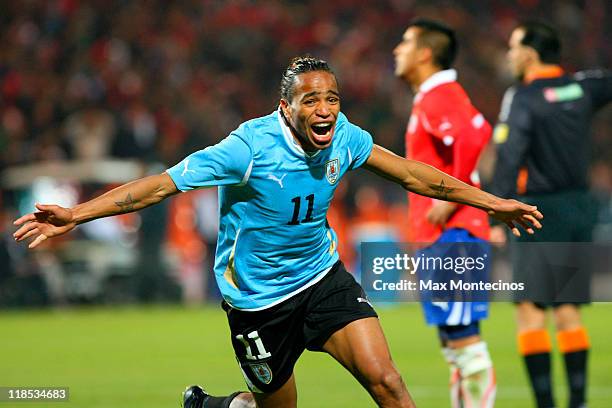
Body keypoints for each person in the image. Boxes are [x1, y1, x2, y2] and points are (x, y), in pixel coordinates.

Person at [14, 56, 543, 408]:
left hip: (323, 278)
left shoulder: (346, 139)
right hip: (258, 301)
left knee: (389, 384)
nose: (325, 110)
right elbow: (158, 187)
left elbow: (413, 174)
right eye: (311, 100)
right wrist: (75, 215)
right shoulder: (247, 149)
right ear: (286, 107)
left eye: (332, 98)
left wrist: (491, 201)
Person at [490, 21, 612, 408]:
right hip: (579, 207)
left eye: (513, 46)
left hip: (537, 213)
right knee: (569, 312)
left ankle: (546, 404)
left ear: (529, 52)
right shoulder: (581, 87)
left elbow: (509, 157)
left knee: (530, 313)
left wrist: (497, 214)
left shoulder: (522, 97)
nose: (509, 54)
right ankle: (578, 402)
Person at [394, 19, 496, 407]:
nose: (396, 50)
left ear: (424, 53)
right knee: (454, 343)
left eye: (405, 42)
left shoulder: (440, 94)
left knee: (465, 341)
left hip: (455, 236)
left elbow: (476, 133)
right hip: (441, 237)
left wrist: (451, 198)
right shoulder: (429, 96)